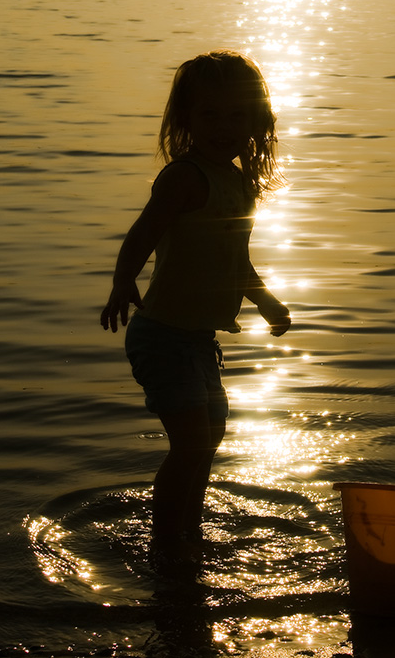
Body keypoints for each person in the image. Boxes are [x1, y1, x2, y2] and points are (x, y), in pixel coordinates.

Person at [100, 50, 291, 566]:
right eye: (210, 115)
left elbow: (235, 257)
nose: (223, 127)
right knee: (190, 445)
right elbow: (144, 233)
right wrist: (122, 282)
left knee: (207, 441)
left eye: (236, 116)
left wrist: (266, 299)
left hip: (197, 338)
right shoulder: (185, 176)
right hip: (163, 334)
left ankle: (190, 535)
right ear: (186, 118)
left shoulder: (239, 181)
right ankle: (167, 550)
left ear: (255, 122)